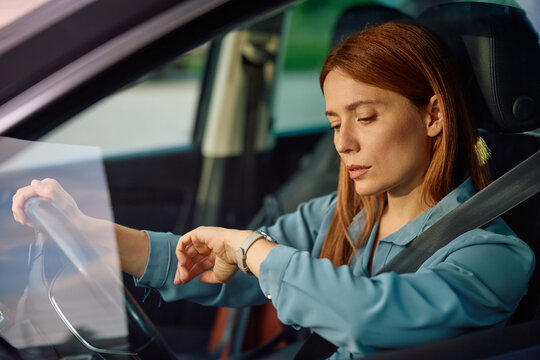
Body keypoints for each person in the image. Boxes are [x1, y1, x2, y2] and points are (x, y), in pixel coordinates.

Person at [12, 22, 535, 359]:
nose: (344, 143)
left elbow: (370, 316)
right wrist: (89, 232)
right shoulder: (341, 216)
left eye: (366, 117)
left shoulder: (494, 257)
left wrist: (253, 249)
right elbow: (205, 262)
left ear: (434, 115)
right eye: (333, 123)